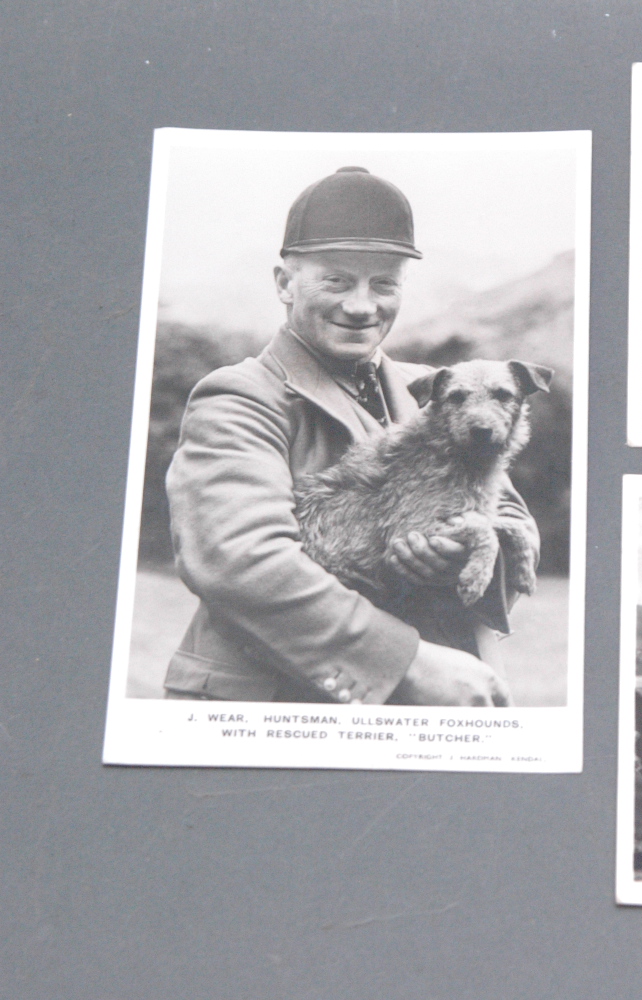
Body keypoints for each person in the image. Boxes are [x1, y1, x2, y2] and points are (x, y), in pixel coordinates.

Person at [161, 166, 539, 706]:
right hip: (282, 706)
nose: (362, 306)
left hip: (448, 702)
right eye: (336, 280)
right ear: (284, 283)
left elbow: (512, 516)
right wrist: (406, 661)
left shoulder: (432, 389)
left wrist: (456, 555)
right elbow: (239, 560)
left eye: (383, 283)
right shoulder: (239, 397)